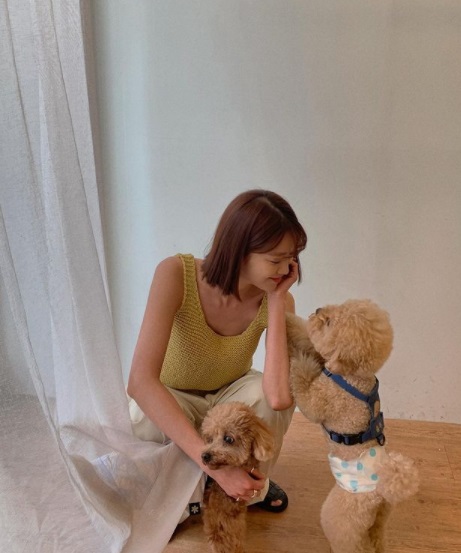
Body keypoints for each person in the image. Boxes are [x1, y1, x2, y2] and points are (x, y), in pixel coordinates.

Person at [127, 189, 307, 518]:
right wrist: (213, 465)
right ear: (239, 250)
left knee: (269, 396)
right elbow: (140, 381)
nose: (286, 269)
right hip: (175, 393)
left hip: (230, 396)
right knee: (141, 419)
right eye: (275, 259)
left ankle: (246, 487)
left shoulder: (276, 297)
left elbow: (279, 398)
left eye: (291, 259)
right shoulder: (175, 274)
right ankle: (208, 481)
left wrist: (278, 300)